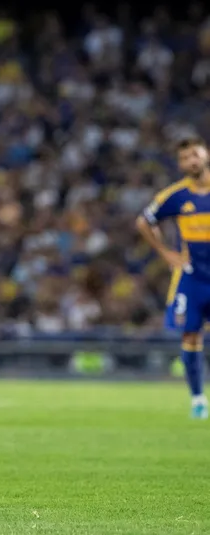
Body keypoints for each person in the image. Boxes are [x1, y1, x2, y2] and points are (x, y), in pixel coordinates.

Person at [136, 137, 210, 419]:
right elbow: (144, 221)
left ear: (206, 155)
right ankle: (198, 399)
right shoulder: (176, 195)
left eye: (195, 155)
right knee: (190, 334)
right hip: (193, 277)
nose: (191, 161)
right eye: (184, 158)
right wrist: (166, 253)